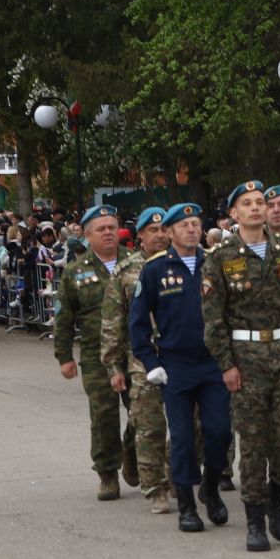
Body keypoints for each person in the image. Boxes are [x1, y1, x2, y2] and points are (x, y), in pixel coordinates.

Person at [203, 180, 280, 553]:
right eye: (247, 203)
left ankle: (277, 496)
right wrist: (226, 364)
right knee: (252, 442)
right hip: (244, 356)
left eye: (260, 202)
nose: (256, 207)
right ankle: (255, 520)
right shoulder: (220, 257)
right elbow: (214, 318)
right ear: (234, 214)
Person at [128, 203, 232, 533]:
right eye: (183, 225)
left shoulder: (215, 263)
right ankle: (186, 503)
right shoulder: (155, 269)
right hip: (176, 365)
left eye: (195, 224)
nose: (190, 229)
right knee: (184, 436)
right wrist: (150, 362)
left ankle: (211, 488)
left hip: (213, 362)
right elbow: (138, 323)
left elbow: (232, 311)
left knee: (220, 432)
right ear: (170, 232)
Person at [52, 205, 134, 501]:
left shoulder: (137, 263)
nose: (109, 232)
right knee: (103, 416)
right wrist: (64, 357)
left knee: (142, 412)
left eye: (112, 227)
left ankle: (133, 453)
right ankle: (108, 473)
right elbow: (64, 318)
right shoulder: (76, 272)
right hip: (96, 356)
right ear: (87, 235)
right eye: (101, 229)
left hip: (135, 352)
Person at [101, 207, 173, 514]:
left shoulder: (187, 263)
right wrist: (114, 366)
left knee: (196, 424)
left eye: (164, 229)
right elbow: (113, 321)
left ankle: (170, 468)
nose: (159, 235)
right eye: (152, 230)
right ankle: (156, 487)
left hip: (183, 354)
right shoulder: (127, 271)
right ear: (140, 235)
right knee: (151, 424)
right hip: (142, 357)